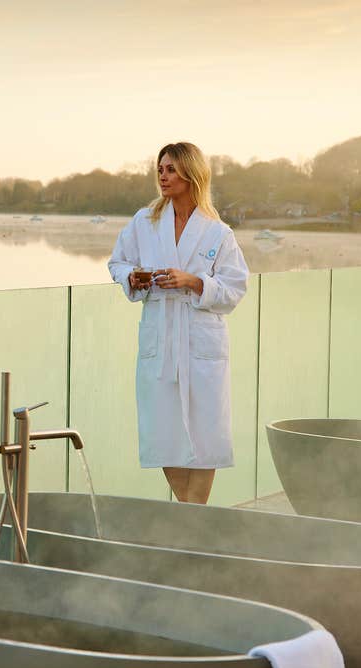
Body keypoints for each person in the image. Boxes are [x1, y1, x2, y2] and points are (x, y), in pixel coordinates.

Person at [107, 142, 249, 504]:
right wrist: (133, 277)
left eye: (170, 169)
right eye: (160, 169)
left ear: (191, 173)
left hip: (200, 341)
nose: (163, 176)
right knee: (164, 432)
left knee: (205, 435)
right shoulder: (145, 222)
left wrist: (193, 281)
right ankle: (194, 518)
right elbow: (118, 262)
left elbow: (235, 288)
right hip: (161, 337)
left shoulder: (218, 233)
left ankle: (191, 520)